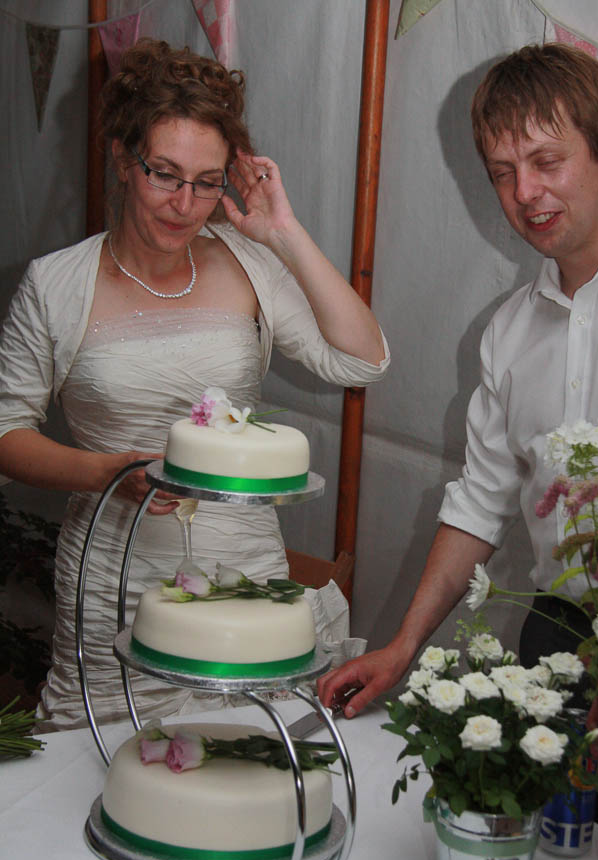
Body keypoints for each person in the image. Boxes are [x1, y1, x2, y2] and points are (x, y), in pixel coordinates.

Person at [0, 39, 389, 730]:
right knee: (108, 764)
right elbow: (6, 432)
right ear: (123, 159)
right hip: (114, 577)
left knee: (243, 760)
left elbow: (362, 361)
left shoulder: (249, 264)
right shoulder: (55, 283)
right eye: (165, 174)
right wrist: (105, 473)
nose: (185, 204)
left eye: (208, 182)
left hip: (244, 574)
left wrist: (283, 233)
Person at [319, 42, 598, 718]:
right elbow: (480, 503)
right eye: (503, 173)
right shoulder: (509, 330)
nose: (524, 193)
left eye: (546, 162)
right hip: (557, 638)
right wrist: (402, 647)